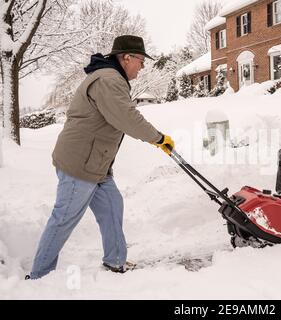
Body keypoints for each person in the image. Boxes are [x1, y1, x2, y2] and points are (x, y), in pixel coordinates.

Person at [27, 35, 174, 279]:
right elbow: (127, 118)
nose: (143, 66)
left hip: (97, 164)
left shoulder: (110, 77)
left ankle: (115, 260)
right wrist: (158, 138)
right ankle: (38, 276)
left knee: (112, 206)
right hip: (81, 164)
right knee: (63, 218)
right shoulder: (108, 80)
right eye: (140, 60)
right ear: (126, 57)